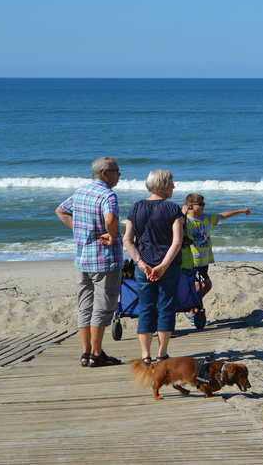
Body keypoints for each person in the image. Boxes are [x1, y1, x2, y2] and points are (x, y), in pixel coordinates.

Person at [55, 156, 124, 368]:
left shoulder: (80, 192)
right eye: (116, 171)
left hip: (82, 259)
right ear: (105, 173)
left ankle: (86, 353)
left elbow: (60, 210)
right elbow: (110, 219)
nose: (119, 175)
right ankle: (95, 354)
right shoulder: (107, 195)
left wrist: (80, 229)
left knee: (85, 306)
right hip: (104, 259)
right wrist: (111, 236)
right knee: (102, 307)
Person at [122, 169, 184, 364]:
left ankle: (145, 354)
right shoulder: (173, 209)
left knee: (146, 308)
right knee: (166, 308)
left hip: (144, 266)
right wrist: (163, 266)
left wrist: (141, 264)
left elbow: (127, 240)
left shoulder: (136, 207)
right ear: (163, 185)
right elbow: (177, 242)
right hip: (169, 266)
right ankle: (162, 354)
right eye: (171, 182)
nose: (174, 186)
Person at [180, 193, 253, 324]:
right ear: (190, 206)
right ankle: (191, 311)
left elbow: (223, 215)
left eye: (204, 204)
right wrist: (181, 214)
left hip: (205, 259)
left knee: (203, 285)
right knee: (202, 285)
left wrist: (241, 211)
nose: (203, 206)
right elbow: (173, 228)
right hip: (193, 260)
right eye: (200, 204)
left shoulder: (206, 218)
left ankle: (191, 308)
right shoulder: (185, 219)